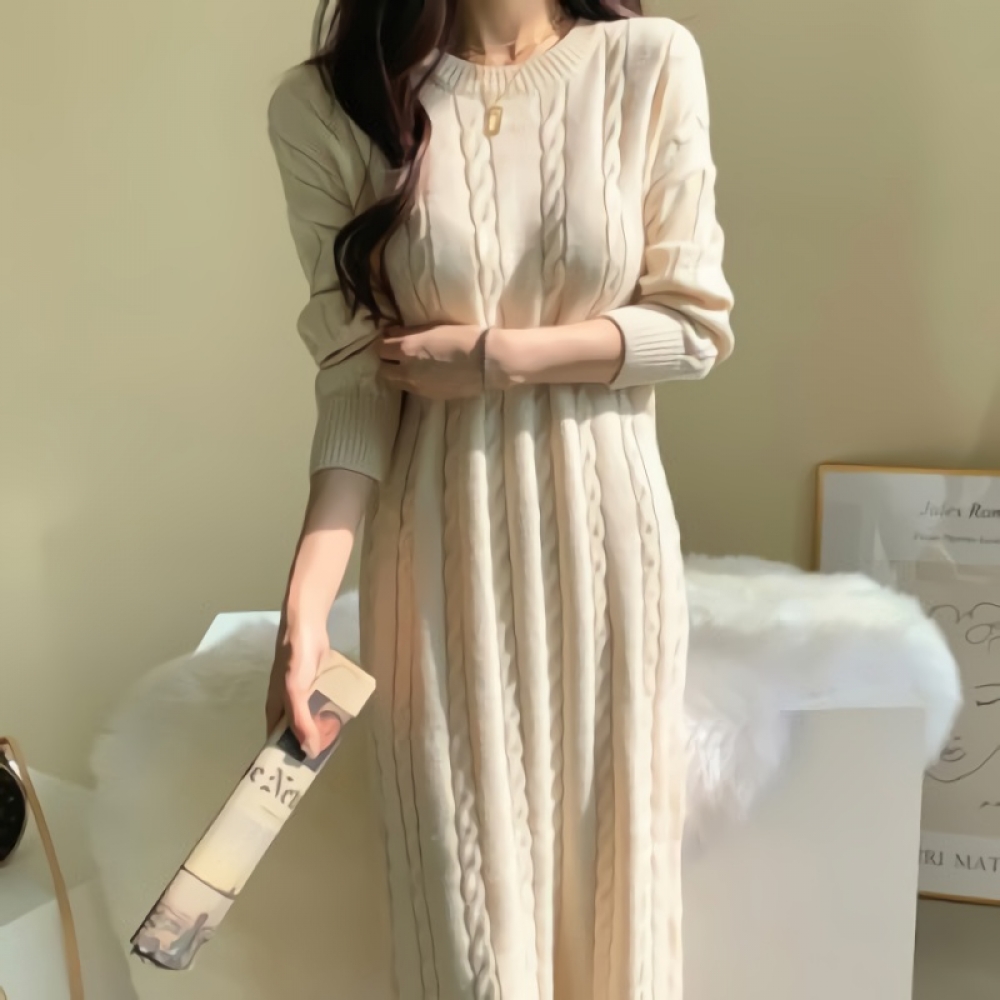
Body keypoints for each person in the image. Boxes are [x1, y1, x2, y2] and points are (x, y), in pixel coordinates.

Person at [265, 0, 735, 994]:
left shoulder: (647, 63)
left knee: (619, 933)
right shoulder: (327, 105)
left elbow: (692, 328)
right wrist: (304, 607)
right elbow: (352, 382)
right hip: (435, 574)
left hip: (610, 560)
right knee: (467, 948)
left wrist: (496, 358)